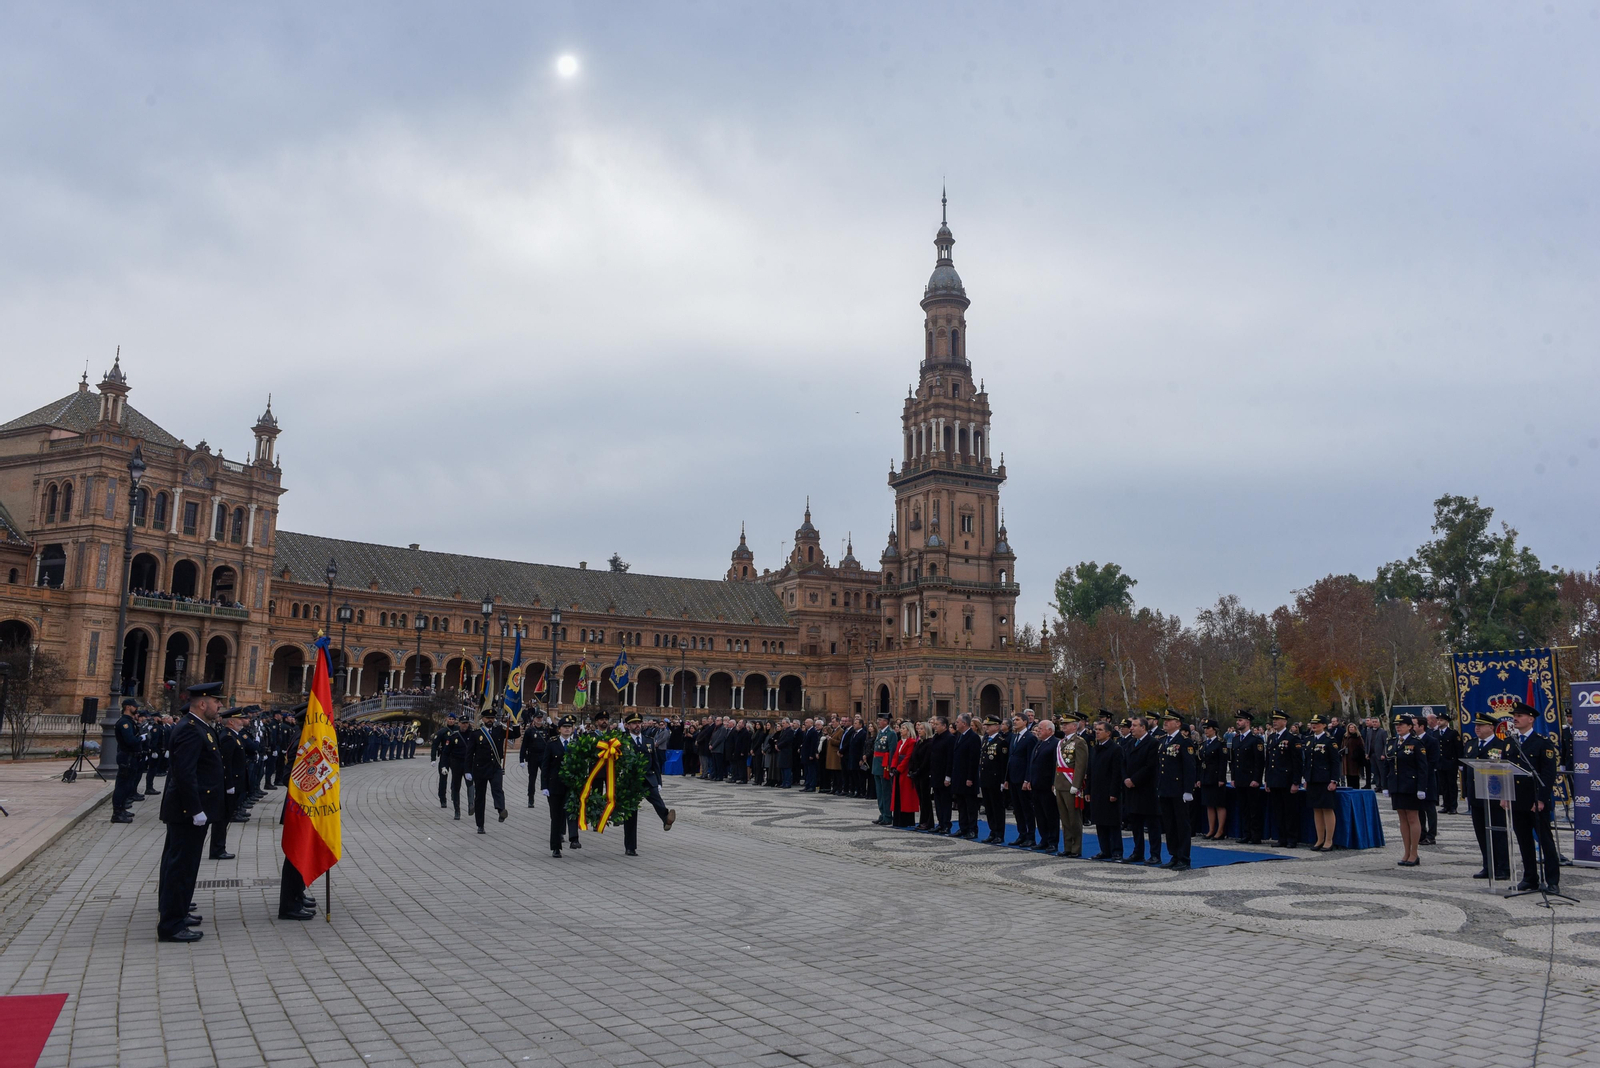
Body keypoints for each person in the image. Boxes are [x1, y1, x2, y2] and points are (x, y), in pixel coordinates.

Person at [156, 681, 227, 943]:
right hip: (188, 812)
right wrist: (195, 809)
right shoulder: (189, 729)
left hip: (194, 810)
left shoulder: (200, 727)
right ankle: (171, 925)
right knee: (180, 867)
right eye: (216, 701)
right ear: (202, 703)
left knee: (186, 866)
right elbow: (184, 775)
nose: (220, 705)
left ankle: (179, 911)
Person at [1505, 703, 1561, 892]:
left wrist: (1541, 799)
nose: (1515, 718)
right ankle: (1530, 877)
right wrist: (1505, 795)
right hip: (1517, 799)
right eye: (1514, 715)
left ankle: (1552, 880)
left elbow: (1548, 774)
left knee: (1545, 840)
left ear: (1531, 719)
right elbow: (1506, 771)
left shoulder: (1542, 742)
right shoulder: (1511, 741)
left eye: (1520, 715)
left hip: (1536, 799)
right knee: (1524, 840)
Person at [1460, 711, 1511, 881]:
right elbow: (1467, 770)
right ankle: (1488, 865)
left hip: (1495, 795)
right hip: (1476, 795)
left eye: (1480, 725)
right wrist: (1466, 793)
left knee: (1498, 832)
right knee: (1481, 832)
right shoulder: (1471, 744)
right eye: (1476, 725)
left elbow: (1505, 771)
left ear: (1491, 727)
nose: (1477, 728)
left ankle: (1503, 867)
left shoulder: (1501, 745)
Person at [621, 712, 677, 856]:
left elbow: (655, 763)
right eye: (634, 723)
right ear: (627, 726)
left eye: (639, 723)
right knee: (631, 814)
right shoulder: (622, 741)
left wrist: (658, 781)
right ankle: (630, 846)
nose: (637, 725)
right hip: (631, 781)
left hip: (648, 778)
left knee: (657, 800)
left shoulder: (649, 740)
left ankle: (666, 819)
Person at [464, 707, 520, 833]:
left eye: (492, 718)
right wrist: (467, 770)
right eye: (488, 718)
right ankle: (480, 825)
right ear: (483, 719)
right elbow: (469, 754)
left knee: (498, 789)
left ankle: (501, 810)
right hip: (480, 769)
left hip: (495, 767)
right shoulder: (476, 734)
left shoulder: (499, 730)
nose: (490, 720)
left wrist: (515, 722)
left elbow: (515, 735)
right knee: (480, 797)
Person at [1155, 711, 1197, 871]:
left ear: (1178, 723)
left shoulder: (1184, 742)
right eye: (1164, 720)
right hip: (1165, 789)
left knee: (1181, 824)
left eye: (1169, 720)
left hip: (1179, 790)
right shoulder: (1163, 741)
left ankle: (1184, 857)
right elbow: (1161, 767)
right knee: (1169, 825)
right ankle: (1174, 855)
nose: (1165, 723)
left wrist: (1188, 790)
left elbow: (1189, 767)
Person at [1389, 713, 1431, 867]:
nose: (1398, 727)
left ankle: (1414, 853)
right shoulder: (1393, 742)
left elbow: (1422, 768)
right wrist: (1388, 785)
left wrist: (1421, 788)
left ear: (1410, 727)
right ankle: (1406, 851)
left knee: (1413, 818)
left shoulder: (1416, 743)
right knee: (1402, 819)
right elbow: (1390, 765)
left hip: (1411, 786)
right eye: (1396, 725)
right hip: (1398, 785)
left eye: (1401, 725)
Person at [1121, 716, 1161, 865]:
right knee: (1135, 824)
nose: (1131, 728)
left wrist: (1134, 780)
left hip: (1147, 789)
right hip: (1131, 790)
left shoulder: (1153, 743)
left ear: (1143, 728)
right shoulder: (1130, 743)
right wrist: (1125, 778)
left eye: (1134, 726)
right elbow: (1123, 763)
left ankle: (1155, 854)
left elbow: (1150, 766)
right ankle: (1138, 852)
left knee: (1152, 824)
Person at [1302, 714, 1342, 851]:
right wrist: (1306, 778)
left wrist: (1334, 780)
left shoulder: (1330, 740)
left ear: (1324, 725)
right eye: (1313, 723)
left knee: (1327, 809)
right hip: (1313, 779)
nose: (1314, 725)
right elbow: (1307, 762)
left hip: (1325, 779)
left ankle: (1329, 840)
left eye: (1317, 723)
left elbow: (1335, 762)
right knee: (1316, 809)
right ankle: (1319, 839)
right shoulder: (1308, 740)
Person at [1263, 711, 1302, 849]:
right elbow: (1269, 761)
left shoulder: (1291, 738)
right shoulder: (1272, 737)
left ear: (1285, 722)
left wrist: (1296, 781)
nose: (1275, 722)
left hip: (1287, 780)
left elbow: (1297, 762)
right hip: (1274, 779)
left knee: (1289, 811)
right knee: (1278, 811)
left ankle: (1292, 838)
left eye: (1278, 720)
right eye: (1273, 719)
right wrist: (1267, 779)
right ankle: (1282, 838)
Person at [1086, 717, 1123, 860]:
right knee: (1100, 823)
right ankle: (1104, 850)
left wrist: (1114, 792)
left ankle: (1117, 851)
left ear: (1108, 733)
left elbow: (1117, 773)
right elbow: (1090, 772)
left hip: (1109, 791)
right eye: (1096, 730)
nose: (1097, 732)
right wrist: (1088, 790)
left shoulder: (1115, 749)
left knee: (1112, 823)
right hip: (1096, 791)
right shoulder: (1095, 748)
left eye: (1100, 730)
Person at [1054, 711, 1090, 858]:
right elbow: (1056, 765)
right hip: (1060, 783)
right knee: (1064, 818)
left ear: (1074, 726)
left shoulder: (1079, 742)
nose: (1063, 726)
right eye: (1063, 724)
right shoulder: (1061, 742)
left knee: (1074, 818)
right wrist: (1055, 784)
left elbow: (1081, 765)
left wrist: (1076, 784)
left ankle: (1076, 848)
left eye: (1066, 724)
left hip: (1071, 783)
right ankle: (1067, 846)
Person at [542, 716, 579, 857]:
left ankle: (574, 839)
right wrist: (544, 786)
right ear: (559, 729)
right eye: (564, 727)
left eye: (569, 727)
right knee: (556, 817)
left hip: (571, 786)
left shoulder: (577, 743)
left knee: (572, 812)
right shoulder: (552, 744)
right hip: (555, 786)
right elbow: (545, 766)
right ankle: (556, 847)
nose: (567, 729)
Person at [1022, 719, 1058, 853]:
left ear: (1050, 730)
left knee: (1050, 815)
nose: (1038, 731)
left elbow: (1056, 765)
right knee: (1040, 815)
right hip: (1036, 784)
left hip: (1047, 785)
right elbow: (1033, 763)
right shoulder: (1039, 743)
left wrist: (1054, 783)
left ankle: (1053, 841)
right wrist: (1030, 779)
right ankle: (1044, 839)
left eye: (1041, 729)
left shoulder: (1055, 743)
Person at [1005, 713, 1038, 848]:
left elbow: (1031, 760)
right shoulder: (1014, 737)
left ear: (1025, 722)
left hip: (1022, 779)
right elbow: (1011, 758)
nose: (1014, 722)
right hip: (1013, 777)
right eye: (1013, 720)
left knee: (1026, 809)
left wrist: (1027, 779)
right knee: (1017, 809)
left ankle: (1030, 836)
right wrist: (1006, 778)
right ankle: (1021, 834)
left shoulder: (1030, 738)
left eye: (1017, 720)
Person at [978, 716, 1010, 844]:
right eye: (986, 725)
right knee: (989, 807)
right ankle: (992, 831)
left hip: (996, 779)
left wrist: (1003, 781)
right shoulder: (986, 739)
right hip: (986, 778)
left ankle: (999, 833)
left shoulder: (1001, 741)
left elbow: (1003, 763)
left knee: (997, 808)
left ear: (997, 727)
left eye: (989, 725)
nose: (986, 727)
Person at [948, 713, 981, 839]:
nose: (956, 724)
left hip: (968, 777)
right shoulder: (960, 736)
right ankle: (963, 827)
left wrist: (970, 778)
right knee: (961, 804)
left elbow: (973, 759)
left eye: (957, 722)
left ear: (964, 723)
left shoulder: (973, 737)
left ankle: (972, 829)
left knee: (970, 805)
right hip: (958, 776)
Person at [110, 698, 142, 824]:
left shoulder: (129, 722)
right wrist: (141, 738)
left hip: (131, 756)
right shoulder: (124, 723)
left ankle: (122, 809)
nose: (137, 709)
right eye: (135, 707)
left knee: (128, 785)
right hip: (126, 756)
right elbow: (130, 740)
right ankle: (117, 813)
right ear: (128, 707)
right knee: (122, 786)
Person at [1198, 719, 1229, 840]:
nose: (1206, 731)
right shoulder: (1205, 744)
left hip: (1216, 777)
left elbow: (1222, 762)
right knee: (1208, 804)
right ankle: (1211, 829)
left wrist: (1221, 778)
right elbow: (1201, 762)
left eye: (1208, 728)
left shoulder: (1220, 743)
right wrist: (1200, 778)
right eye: (1205, 728)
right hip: (1206, 777)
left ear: (1214, 730)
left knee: (1219, 804)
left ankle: (1220, 830)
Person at [925, 717, 956, 834]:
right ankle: (940, 823)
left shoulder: (950, 738)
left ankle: (946, 824)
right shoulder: (936, 737)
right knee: (937, 801)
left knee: (945, 801)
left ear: (944, 726)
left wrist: (948, 776)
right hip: (935, 774)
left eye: (937, 724)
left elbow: (950, 759)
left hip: (944, 775)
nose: (935, 726)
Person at [888, 721, 919, 827]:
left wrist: (899, 769)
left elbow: (907, 758)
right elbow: (895, 756)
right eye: (901, 728)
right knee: (897, 794)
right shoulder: (900, 742)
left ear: (909, 730)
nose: (901, 730)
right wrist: (892, 767)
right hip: (898, 771)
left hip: (905, 771)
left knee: (906, 796)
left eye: (903, 728)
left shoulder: (911, 742)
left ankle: (906, 820)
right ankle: (897, 819)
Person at [520, 717, 548, 808]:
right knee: (532, 778)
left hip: (543, 757)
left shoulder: (546, 730)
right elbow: (524, 745)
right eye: (537, 718)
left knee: (546, 776)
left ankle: (548, 795)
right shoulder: (529, 731)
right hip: (533, 757)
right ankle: (531, 798)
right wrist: (521, 759)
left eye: (541, 718)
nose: (539, 720)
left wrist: (551, 724)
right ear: (534, 719)